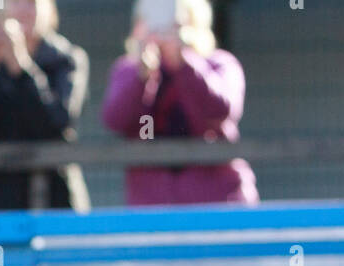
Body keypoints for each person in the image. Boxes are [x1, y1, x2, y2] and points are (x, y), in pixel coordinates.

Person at [101, 0, 257, 206]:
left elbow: (221, 109)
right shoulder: (129, 70)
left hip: (219, 203)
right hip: (152, 208)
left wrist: (184, 63)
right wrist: (143, 77)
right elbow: (115, 120)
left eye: (174, 22)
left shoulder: (219, 63)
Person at [0, 0, 89, 211]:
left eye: (31, 3)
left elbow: (56, 124)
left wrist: (21, 66)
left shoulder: (66, 60)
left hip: (54, 201)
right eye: (15, 3)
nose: (22, 11)